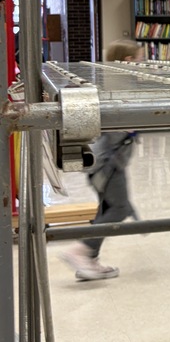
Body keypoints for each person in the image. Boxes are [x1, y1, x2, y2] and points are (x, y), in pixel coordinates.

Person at [59, 39, 143, 281]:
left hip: (103, 161)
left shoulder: (114, 84)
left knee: (106, 208)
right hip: (108, 162)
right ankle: (80, 250)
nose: (142, 63)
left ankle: (89, 261)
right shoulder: (121, 89)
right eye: (139, 58)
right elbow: (119, 127)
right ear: (128, 61)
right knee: (120, 207)